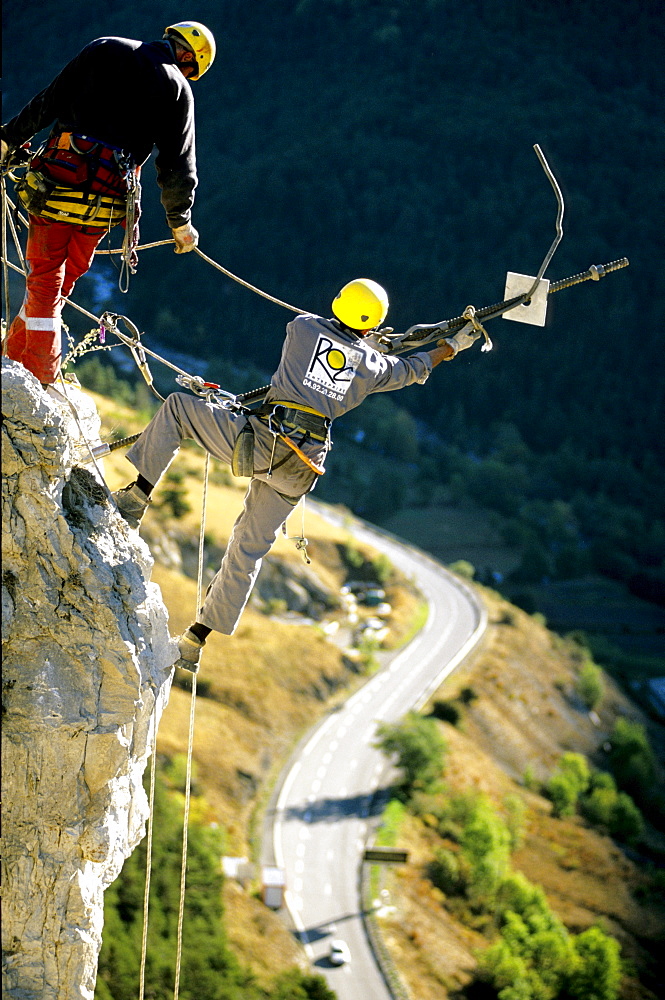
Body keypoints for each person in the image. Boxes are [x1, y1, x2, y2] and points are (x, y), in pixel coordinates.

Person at [112, 278, 482, 672]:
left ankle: (137, 496)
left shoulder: (303, 327)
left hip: (265, 441)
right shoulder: (372, 366)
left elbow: (330, 348)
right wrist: (451, 346)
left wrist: (363, 343)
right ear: (373, 322)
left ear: (339, 302)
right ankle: (195, 640)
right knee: (249, 546)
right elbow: (411, 368)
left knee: (179, 408)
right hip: (304, 465)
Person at [0, 21, 216, 386]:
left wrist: (7, 141)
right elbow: (177, 165)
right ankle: (33, 374)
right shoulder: (178, 89)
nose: (186, 73)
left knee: (47, 281)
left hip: (58, 179)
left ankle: (23, 372)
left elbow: (48, 102)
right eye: (191, 68)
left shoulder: (105, 47)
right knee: (59, 284)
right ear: (186, 57)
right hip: (108, 198)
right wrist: (180, 223)